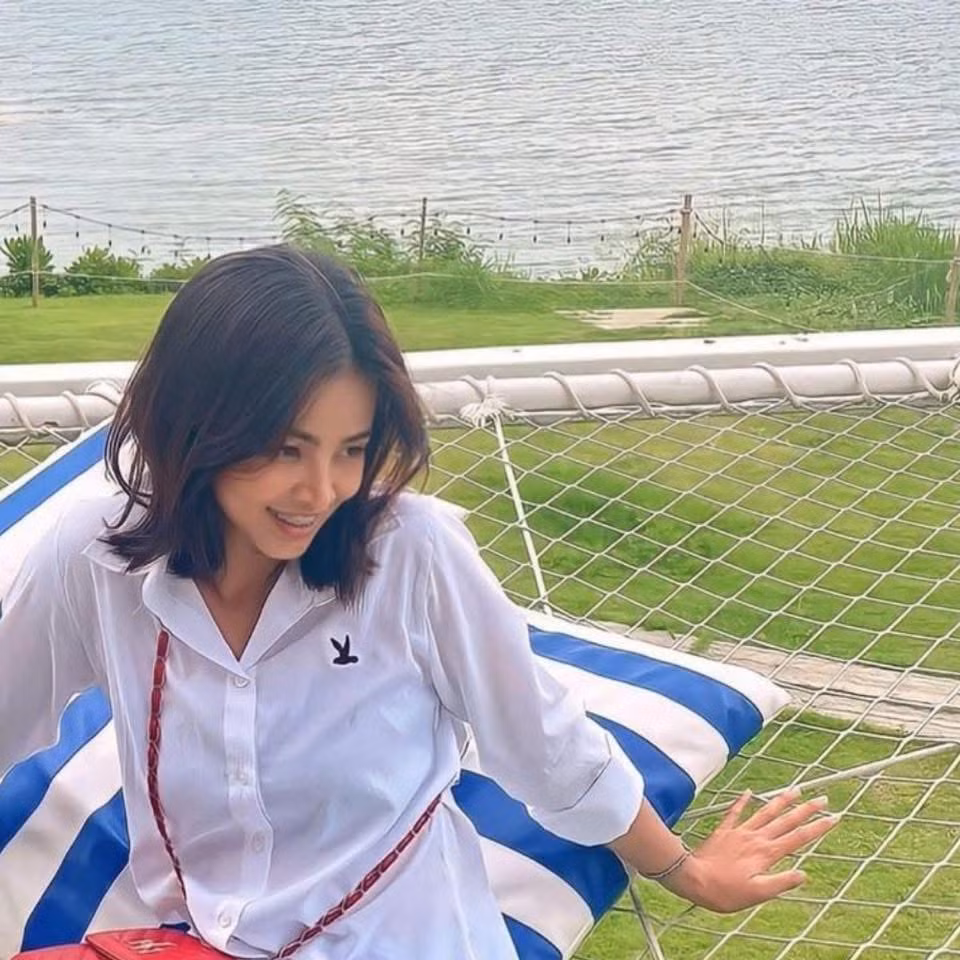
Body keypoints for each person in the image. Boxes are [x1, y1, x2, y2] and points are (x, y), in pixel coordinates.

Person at [0, 246, 836, 959]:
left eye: (352, 450)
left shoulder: (410, 554)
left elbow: (545, 744)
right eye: (285, 448)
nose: (320, 490)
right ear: (194, 424)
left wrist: (689, 873)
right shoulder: (94, 554)